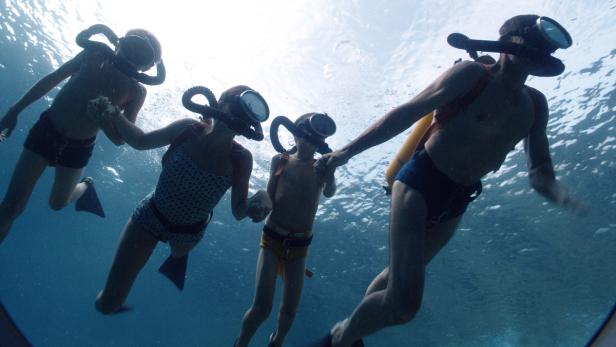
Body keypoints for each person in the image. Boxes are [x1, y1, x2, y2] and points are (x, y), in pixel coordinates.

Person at [311, 15, 585, 347]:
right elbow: (407, 112)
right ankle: (340, 338)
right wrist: (345, 153)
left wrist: (559, 194)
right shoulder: (471, 75)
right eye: (530, 43)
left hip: (459, 199)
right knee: (403, 304)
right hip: (420, 183)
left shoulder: (536, 105)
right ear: (508, 43)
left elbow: (540, 170)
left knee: (392, 281)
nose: (535, 52)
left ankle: (349, 332)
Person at [94, 85, 272, 313]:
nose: (236, 115)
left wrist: (262, 197)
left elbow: (239, 211)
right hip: (150, 217)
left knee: (178, 253)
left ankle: (177, 258)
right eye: (234, 106)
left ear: (249, 125)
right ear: (218, 105)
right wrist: (115, 114)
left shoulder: (241, 158)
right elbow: (140, 141)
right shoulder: (187, 129)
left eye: (243, 113)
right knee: (108, 304)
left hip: (189, 233)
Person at [0, 24, 165, 244]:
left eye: (141, 54)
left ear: (147, 67)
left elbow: (119, 139)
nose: (131, 56)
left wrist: (105, 122)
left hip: (78, 148)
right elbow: (52, 79)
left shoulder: (136, 91)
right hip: (47, 130)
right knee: (11, 207)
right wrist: (14, 110)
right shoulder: (93, 55)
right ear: (119, 43)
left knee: (57, 203)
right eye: (132, 46)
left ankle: (86, 186)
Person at [235, 113, 337, 347]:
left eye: (317, 138)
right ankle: (240, 343)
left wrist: (330, 176)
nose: (311, 142)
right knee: (262, 308)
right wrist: (260, 208)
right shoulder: (280, 160)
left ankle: (276, 342)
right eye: (307, 135)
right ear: (295, 134)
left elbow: (330, 192)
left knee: (288, 312)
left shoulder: (322, 166)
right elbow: (270, 196)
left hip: (300, 246)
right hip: (272, 238)